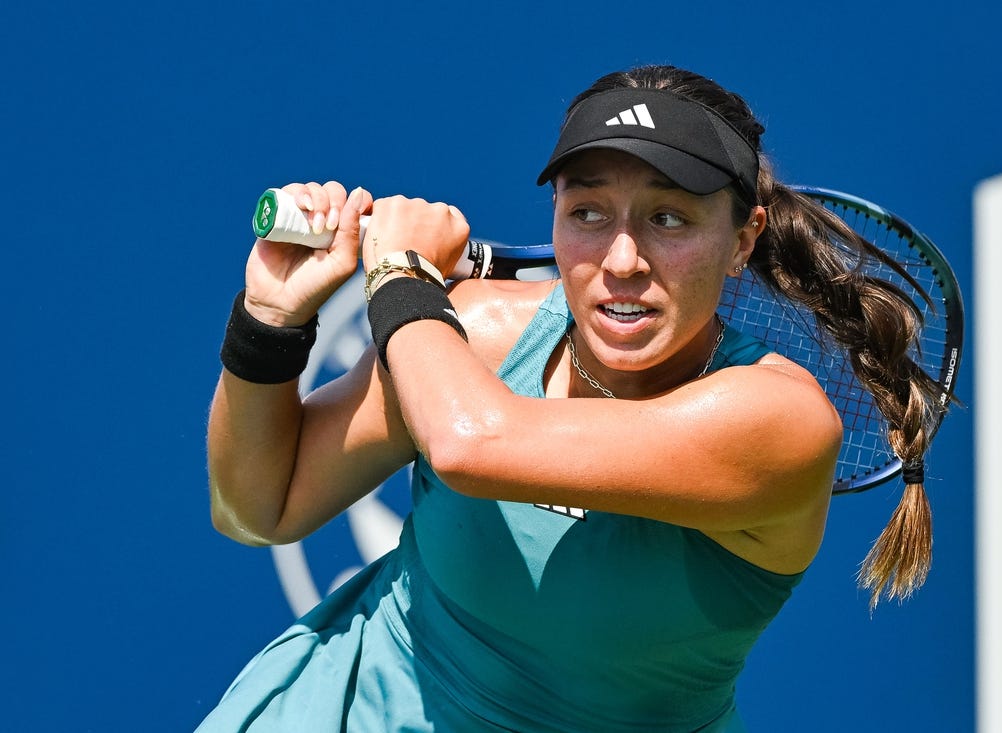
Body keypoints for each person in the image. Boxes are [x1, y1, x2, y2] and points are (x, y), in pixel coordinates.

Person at [200, 65, 941, 732]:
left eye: (669, 218)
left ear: (744, 238)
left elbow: (469, 442)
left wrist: (400, 276)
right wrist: (271, 318)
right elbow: (257, 506)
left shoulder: (779, 423)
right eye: (589, 212)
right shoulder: (477, 333)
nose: (622, 260)